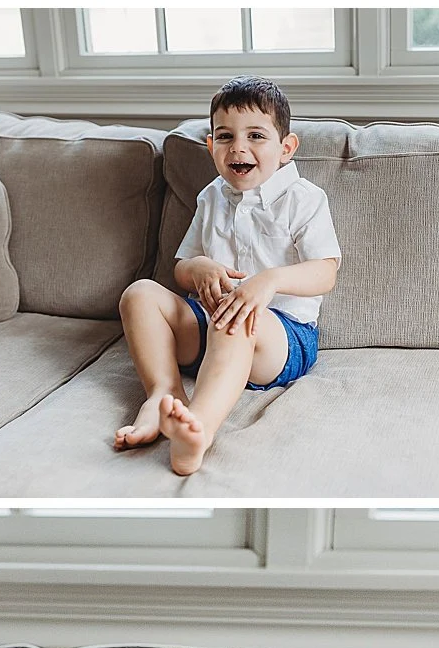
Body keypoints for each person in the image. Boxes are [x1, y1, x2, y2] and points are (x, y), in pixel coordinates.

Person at [113, 76, 341, 474]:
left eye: (256, 136)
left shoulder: (304, 199)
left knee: (236, 317)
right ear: (211, 146)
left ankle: (198, 429)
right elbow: (182, 268)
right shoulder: (211, 196)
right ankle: (164, 393)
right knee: (140, 294)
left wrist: (269, 280)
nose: (238, 147)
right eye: (225, 136)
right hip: (209, 324)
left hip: (279, 339)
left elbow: (325, 272)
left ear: (286, 148)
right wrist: (197, 268)